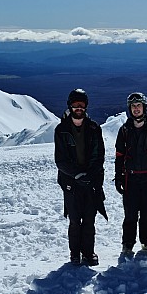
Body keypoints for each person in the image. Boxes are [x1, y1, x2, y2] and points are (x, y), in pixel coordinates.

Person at [55, 88, 107, 266]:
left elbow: (99, 155)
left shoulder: (94, 128)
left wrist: (90, 176)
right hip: (71, 182)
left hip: (91, 182)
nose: (79, 108)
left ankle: (89, 252)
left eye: (82, 105)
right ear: (70, 106)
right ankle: (74, 254)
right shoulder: (61, 130)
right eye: (76, 105)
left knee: (90, 220)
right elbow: (60, 160)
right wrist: (77, 175)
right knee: (75, 219)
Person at [114, 92, 147, 255]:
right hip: (131, 177)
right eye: (133, 106)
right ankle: (128, 244)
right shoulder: (124, 130)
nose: (136, 109)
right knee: (130, 214)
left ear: (144, 107)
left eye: (139, 106)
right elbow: (119, 156)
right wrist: (118, 176)